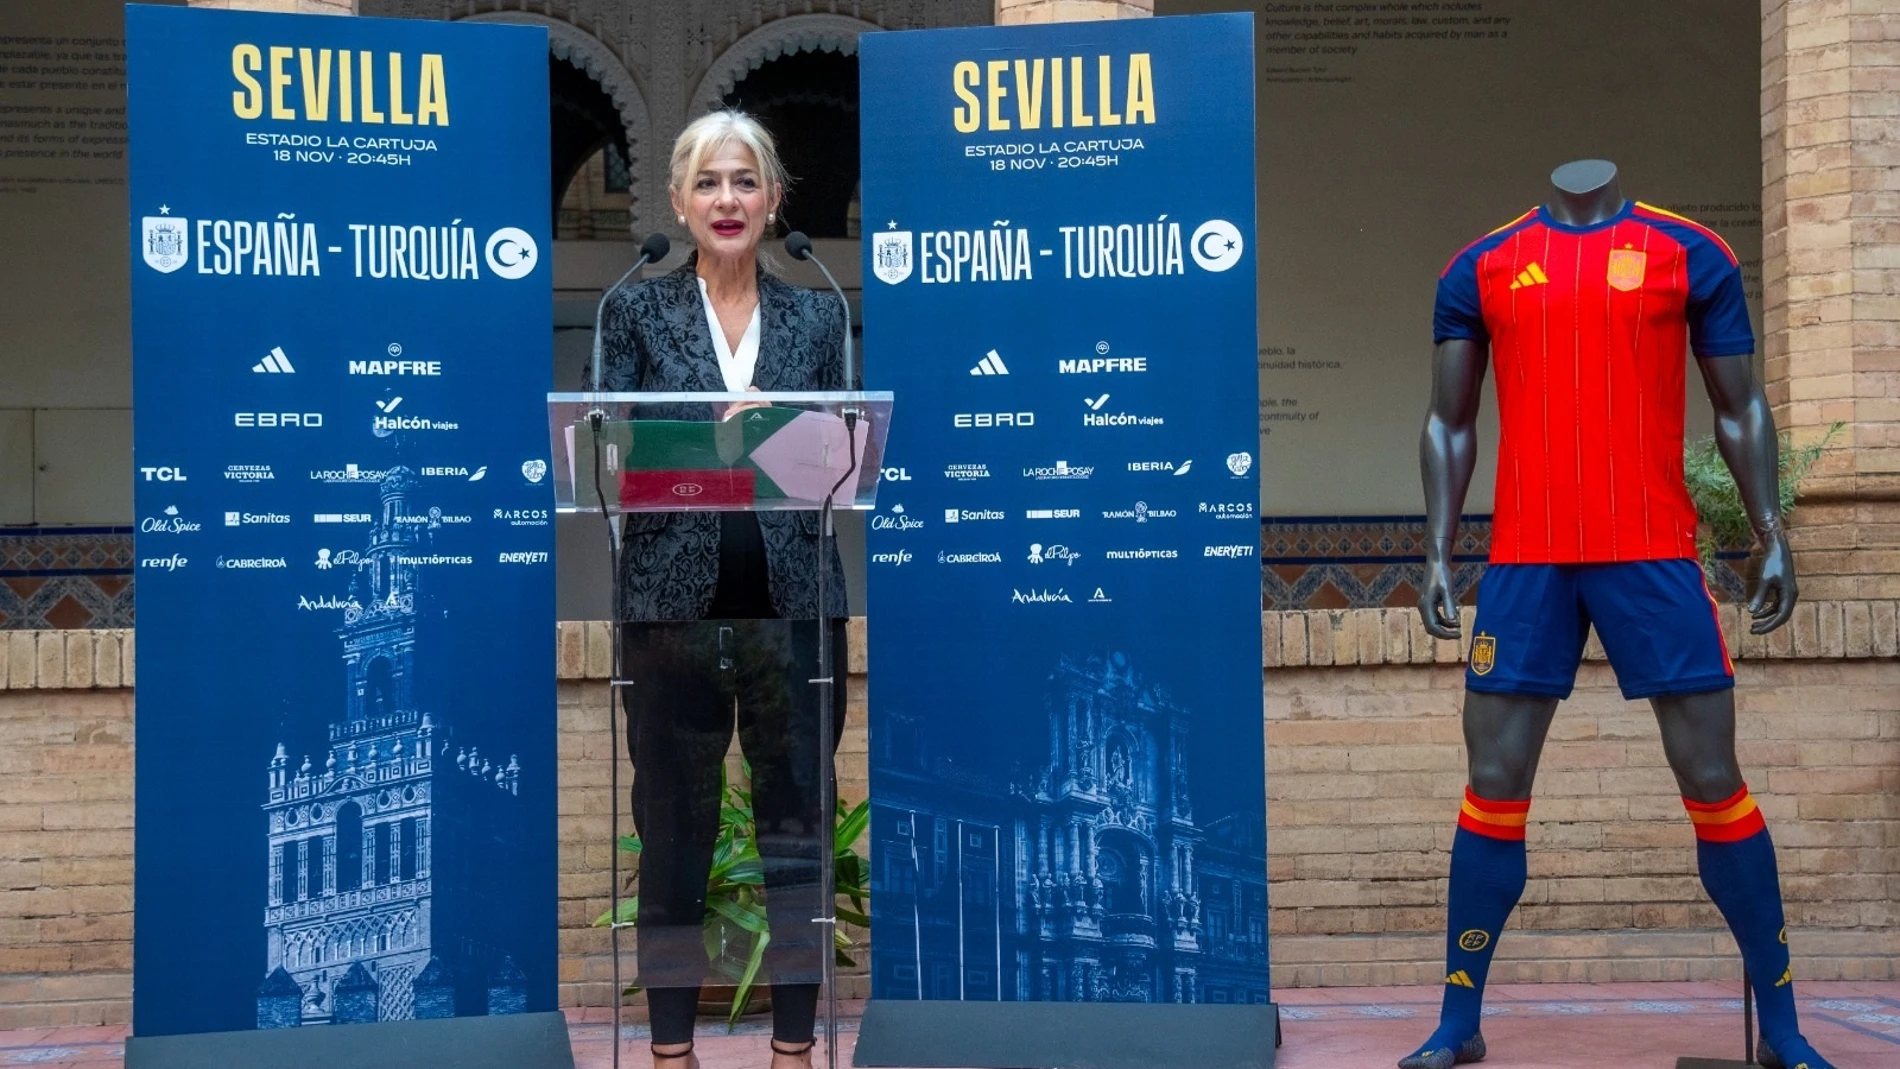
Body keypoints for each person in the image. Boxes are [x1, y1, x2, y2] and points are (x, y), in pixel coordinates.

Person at [1406, 160, 1834, 1069]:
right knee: (1494, 781)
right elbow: (1448, 421)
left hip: (1654, 552)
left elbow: (1741, 402)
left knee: (1714, 776)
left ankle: (1786, 1027)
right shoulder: (1481, 266)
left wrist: (1771, 533)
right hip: (1527, 558)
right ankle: (1457, 1021)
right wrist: (1440, 549)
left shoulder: (1691, 253)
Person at [600, 109, 850, 1069]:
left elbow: (837, 456)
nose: (728, 201)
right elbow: (614, 450)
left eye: (745, 181)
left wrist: (782, 425)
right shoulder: (635, 310)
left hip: (794, 607)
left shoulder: (818, 313)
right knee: (673, 829)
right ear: (677, 201)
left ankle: (793, 1048)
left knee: (795, 827)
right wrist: (714, 430)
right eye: (708, 183)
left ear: (775, 196)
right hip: (669, 609)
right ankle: (671, 1052)